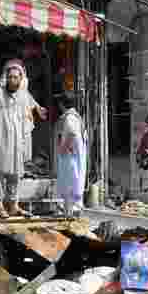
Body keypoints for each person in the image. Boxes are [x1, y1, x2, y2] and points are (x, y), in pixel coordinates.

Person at [0, 60, 48, 218]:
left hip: (17, 141)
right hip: (2, 140)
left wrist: (38, 109)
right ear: (5, 78)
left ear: (20, 79)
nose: (13, 80)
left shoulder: (23, 94)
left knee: (16, 173)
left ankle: (14, 205)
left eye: (16, 77)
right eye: (10, 77)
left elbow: (32, 102)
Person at [55, 90, 86, 218]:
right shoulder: (75, 116)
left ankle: (71, 211)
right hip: (75, 154)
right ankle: (71, 210)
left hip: (70, 155)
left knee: (70, 180)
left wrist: (64, 147)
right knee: (74, 179)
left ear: (62, 104)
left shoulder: (69, 117)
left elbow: (72, 133)